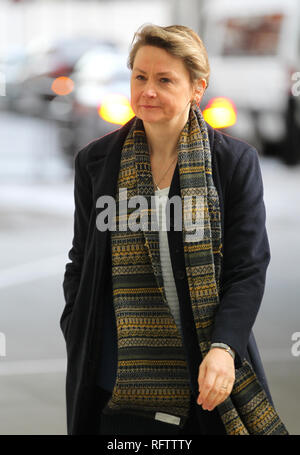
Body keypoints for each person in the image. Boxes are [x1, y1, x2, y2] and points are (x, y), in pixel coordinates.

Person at [60, 24, 288, 435]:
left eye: (165, 80)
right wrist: (74, 324)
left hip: (203, 363)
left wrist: (224, 348)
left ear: (196, 88)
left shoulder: (233, 163)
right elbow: (82, 257)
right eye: (140, 77)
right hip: (113, 370)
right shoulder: (95, 162)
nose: (147, 91)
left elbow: (247, 269)